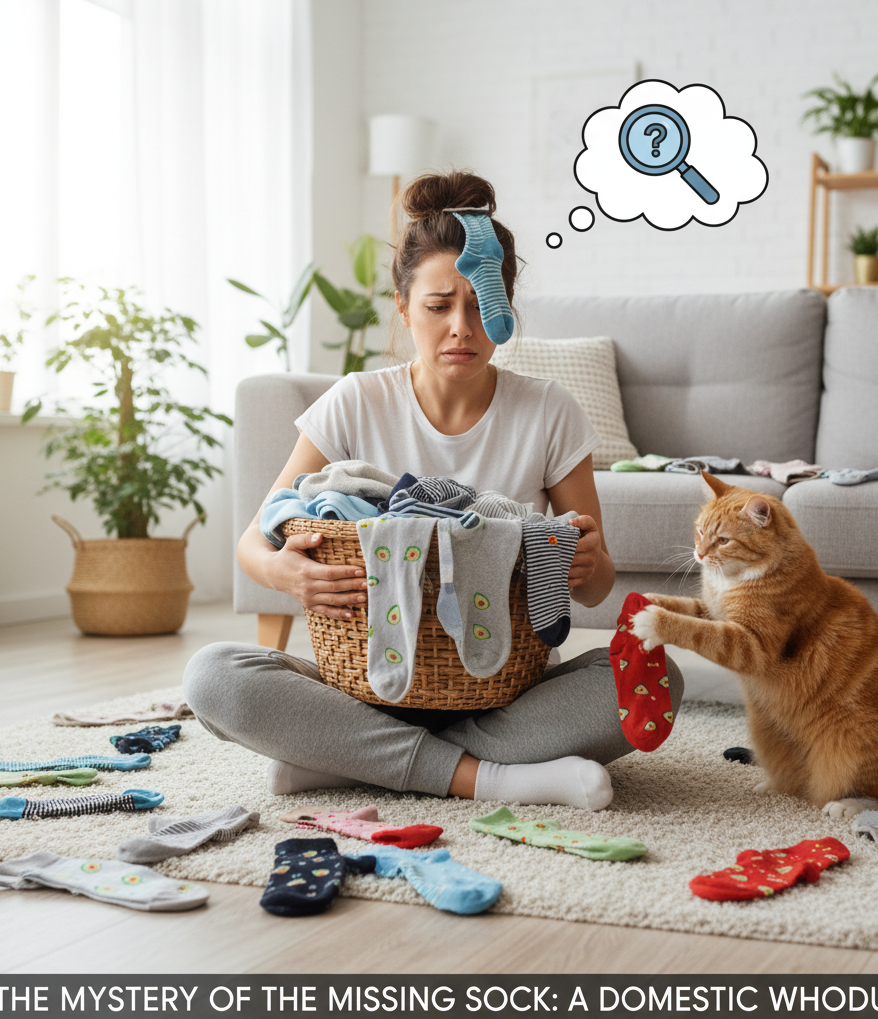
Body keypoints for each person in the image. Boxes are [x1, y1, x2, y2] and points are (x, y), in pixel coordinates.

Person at [183, 171, 683, 811]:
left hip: (503, 692)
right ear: (403, 309)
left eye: (482, 305)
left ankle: (351, 759)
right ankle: (489, 778)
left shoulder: (549, 411)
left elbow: (592, 583)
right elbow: (255, 541)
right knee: (215, 677)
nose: (461, 328)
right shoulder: (357, 402)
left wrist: (587, 564)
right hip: (367, 686)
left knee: (657, 674)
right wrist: (287, 575)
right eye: (439, 306)